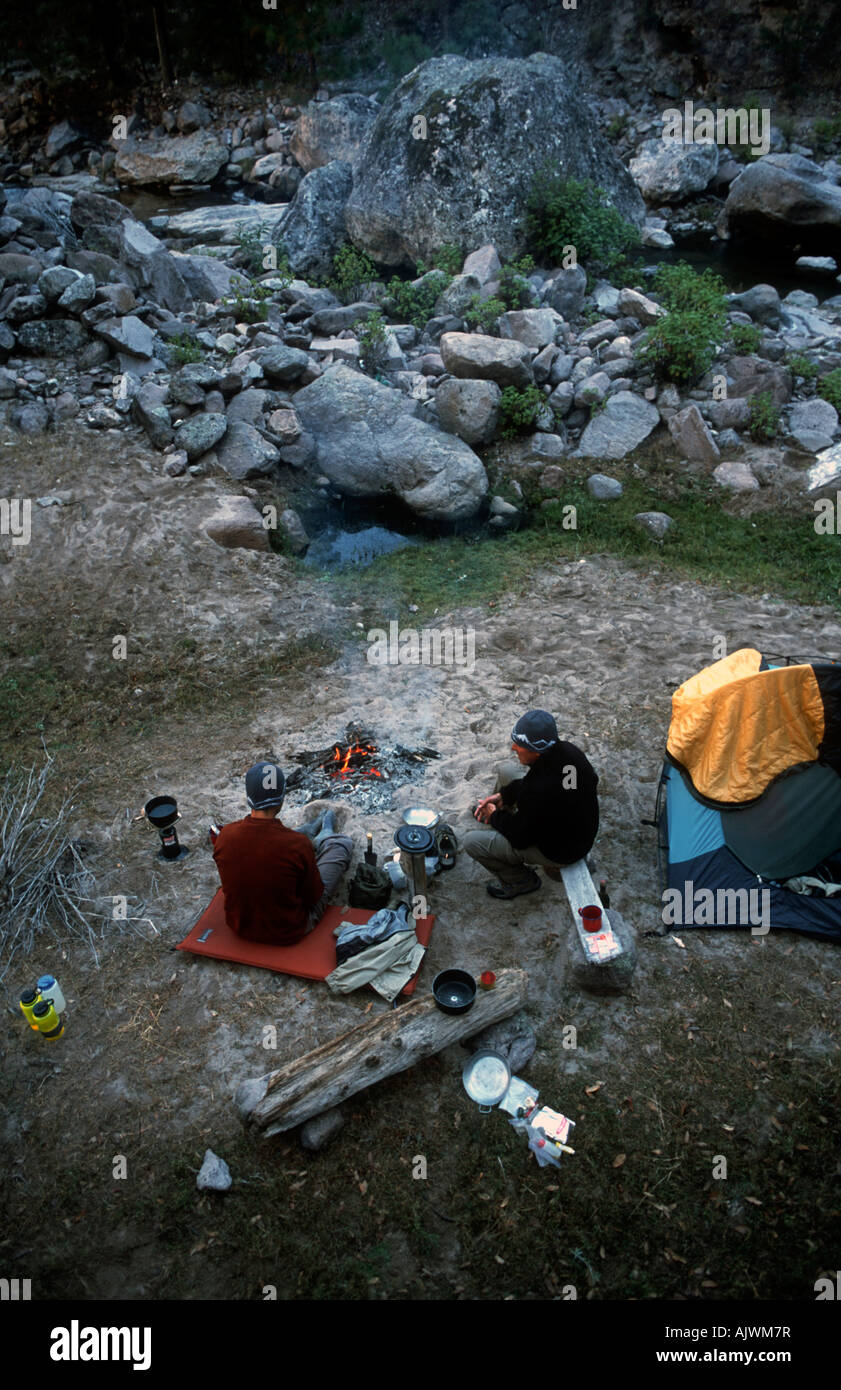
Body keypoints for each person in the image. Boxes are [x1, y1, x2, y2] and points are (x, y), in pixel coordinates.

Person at [212, 761, 354, 945]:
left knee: (287, 846)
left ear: (249, 798)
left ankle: (309, 831)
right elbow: (314, 896)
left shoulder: (225, 835)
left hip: (240, 926)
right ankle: (326, 837)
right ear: (281, 800)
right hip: (290, 930)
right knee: (342, 845)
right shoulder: (297, 845)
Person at [463, 709, 599, 898]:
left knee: (472, 842)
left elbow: (520, 838)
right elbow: (536, 784)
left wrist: (495, 816)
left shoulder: (540, 793)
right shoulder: (567, 753)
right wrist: (504, 796)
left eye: (519, 745)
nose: (513, 748)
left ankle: (520, 880)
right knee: (507, 771)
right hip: (578, 829)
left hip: (562, 850)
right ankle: (493, 814)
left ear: (536, 751)